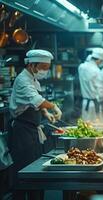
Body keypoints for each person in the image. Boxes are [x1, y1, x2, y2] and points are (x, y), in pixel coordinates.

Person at [8, 49, 62, 199]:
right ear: (32, 65)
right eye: (43, 67)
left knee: (35, 168)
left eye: (47, 67)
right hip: (22, 131)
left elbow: (34, 103)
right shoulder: (22, 80)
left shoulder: (33, 79)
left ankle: (35, 196)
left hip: (31, 129)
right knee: (23, 170)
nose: (45, 71)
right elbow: (35, 99)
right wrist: (53, 106)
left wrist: (45, 113)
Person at [78, 48, 103, 121]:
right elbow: (100, 90)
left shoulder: (81, 67)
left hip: (85, 102)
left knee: (85, 126)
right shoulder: (96, 70)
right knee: (94, 126)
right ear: (99, 60)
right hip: (93, 104)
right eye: (101, 61)